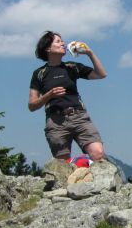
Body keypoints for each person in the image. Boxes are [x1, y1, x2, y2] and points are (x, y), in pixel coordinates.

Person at [28, 31, 107, 162]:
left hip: (79, 116)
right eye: (58, 41)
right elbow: (32, 105)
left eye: (62, 41)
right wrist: (49, 95)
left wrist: (89, 53)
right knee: (63, 165)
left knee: (98, 153)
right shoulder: (39, 74)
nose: (63, 44)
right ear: (48, 48)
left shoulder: (72, 67)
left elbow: (101, 74)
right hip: (55, 121)